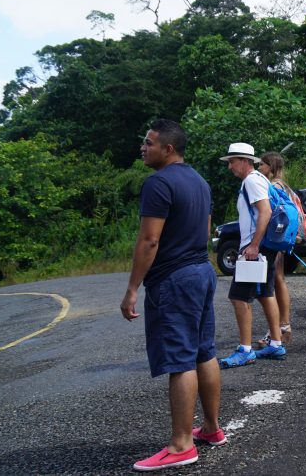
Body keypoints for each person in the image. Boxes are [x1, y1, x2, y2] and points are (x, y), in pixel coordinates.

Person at [121, 119, 225, 471]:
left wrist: (133, 288)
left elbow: (149, 240)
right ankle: (210, 428)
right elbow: (206, 228)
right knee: (203, 352)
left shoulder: (158, 183)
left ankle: (182, 445)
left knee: (180, 359)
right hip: (201, 271)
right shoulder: (199, 181)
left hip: (174, 278)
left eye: (148, 143)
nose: (142, 147)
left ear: (168, 149)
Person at [218, 142, 287, 368]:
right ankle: (276, 344)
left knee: (238, 297)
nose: (229, 167)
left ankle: (245, 350)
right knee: (265, 293)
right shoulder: (260, 179)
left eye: (232, 161)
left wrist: (254, 245)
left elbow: (265, 211)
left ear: (245, 161)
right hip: (266, 247)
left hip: (255, 248)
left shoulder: (251, 181)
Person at [254, 151, 294, 350]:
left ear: (270, 167)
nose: (259, 168)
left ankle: (279, 328)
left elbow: (268, 213)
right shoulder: (284, 185)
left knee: (274, 281)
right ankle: (283, 326)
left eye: (262, 165)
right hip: (283, 238)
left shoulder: (273, 186)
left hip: (275, 238)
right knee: (279, 280)